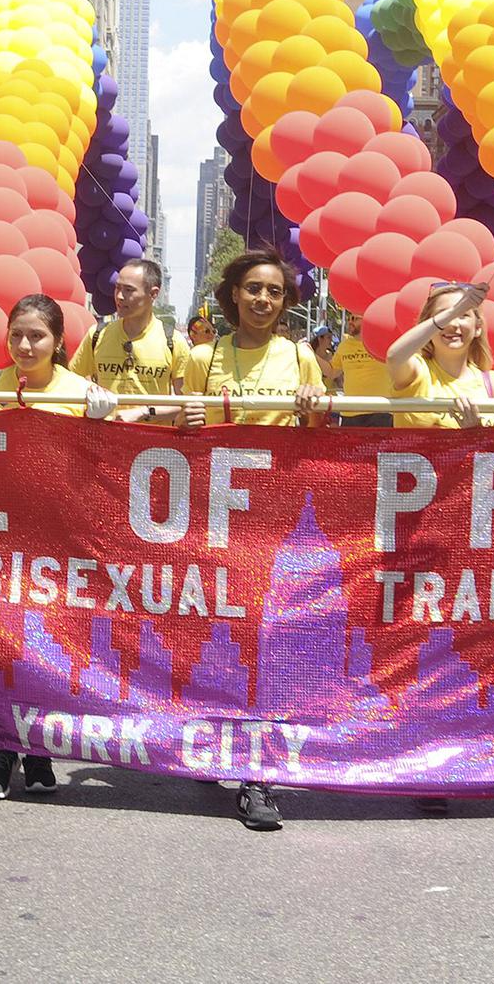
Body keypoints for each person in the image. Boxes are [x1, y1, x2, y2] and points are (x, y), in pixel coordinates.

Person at [179, 249, 323, 831]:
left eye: (275, 291)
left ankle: (257, 775)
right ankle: (211, 738)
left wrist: (314, 413)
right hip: (214, 520)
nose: (263, 299)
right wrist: (185, 422)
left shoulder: (302, 356)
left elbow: (319, 439)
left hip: (274, 521)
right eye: (254, 288)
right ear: (234, 294)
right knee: (218, 637)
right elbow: (179, 434)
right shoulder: (202, 357)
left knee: (266, 641)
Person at [0, 294, 116, 800]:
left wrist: (102, 421)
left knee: (45, 646)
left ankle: (38, 745)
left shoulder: (80, 390)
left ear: (58, 341)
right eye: (17, 335)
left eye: (37, 336)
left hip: (56, 539)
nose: (25, 346)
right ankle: (2, 752)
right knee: (1, 642)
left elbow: (102, 463)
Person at [70, 258, 183, 423]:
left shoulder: (173, 341)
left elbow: (185, 403)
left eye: (129, 290)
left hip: (152, 437)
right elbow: (72, 381)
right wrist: (91, 393)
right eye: (117, 288)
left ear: (153, 294)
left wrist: (144, 412)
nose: (119, 296)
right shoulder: (97, 335)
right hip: (105, 434)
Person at [384, 283, 494, 429]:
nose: (453, 324)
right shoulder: (417, 372)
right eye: (443, 315)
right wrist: (455, 311)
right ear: (427, 327)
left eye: (463, 315)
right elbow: (394, 357)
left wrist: (476, 432)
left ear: (477, 328)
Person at [328, 308, 400, 428]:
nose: (350, 322)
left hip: (381, 410)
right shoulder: (344, 345)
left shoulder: (384, 341)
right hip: (350, 411)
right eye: (349, 318)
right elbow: (332, 372)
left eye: (354, 318)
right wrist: (311, 353)